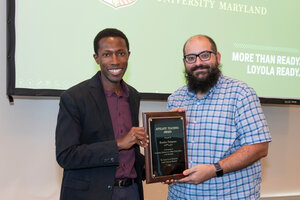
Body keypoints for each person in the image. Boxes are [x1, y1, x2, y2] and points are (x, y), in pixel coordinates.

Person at [166, 35, 272, 199]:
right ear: (184, 62)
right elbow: (168, 151)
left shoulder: (241, 94)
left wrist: (213, 170)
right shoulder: (175, 99)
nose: (198, 63)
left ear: (218, 57)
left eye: (205, 55)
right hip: (180, 195)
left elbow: (259, 148)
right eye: (191, 58)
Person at [55, 28, 148, 200]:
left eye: (121, 53)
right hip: (92, 194)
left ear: (128, 55)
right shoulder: (74, 97)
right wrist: (119, 144)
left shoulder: (133, 95)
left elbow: (129, 154)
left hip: (131, 191)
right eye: (107, 54)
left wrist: (156, 166)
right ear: (96, 58)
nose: (115, 61)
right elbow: (66, 156)